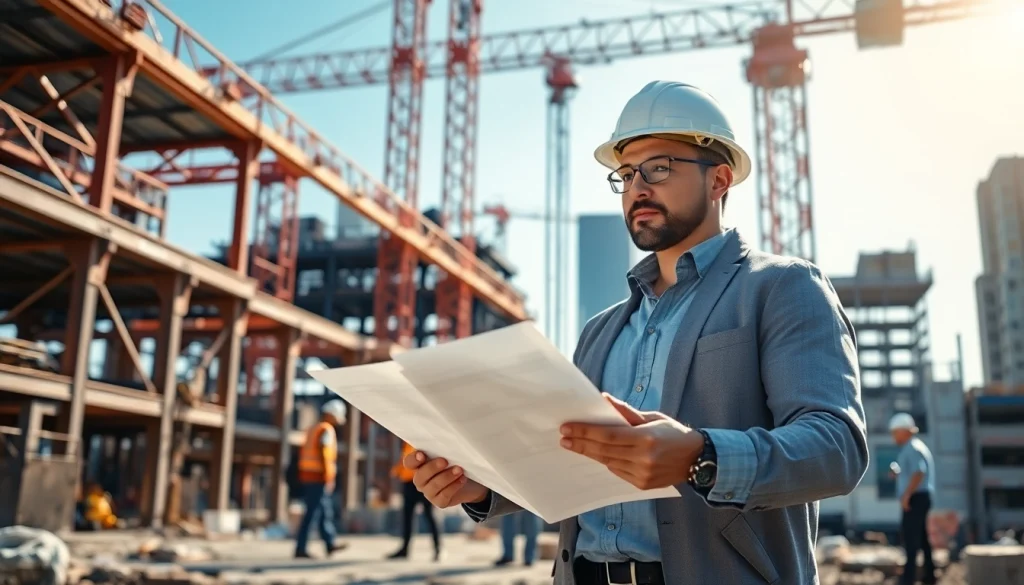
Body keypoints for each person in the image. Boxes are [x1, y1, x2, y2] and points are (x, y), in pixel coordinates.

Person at [400, 80, 869, 585]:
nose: (638, 187)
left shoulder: (782, 287)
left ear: (720, 180)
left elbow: (836, 447)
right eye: (626, 174)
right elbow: (565, 461)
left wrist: (701, 456)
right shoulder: (600, 331)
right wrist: (481, 486)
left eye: (659, 168)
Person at [294, 399, 348, 559]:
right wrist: (328, 477)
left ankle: (330, 544)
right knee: (312, 513)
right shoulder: (326, 430)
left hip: (309, 476)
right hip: (318, 477)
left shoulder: (313, 428)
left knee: (324, 512)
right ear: (331, 415)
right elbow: (324, 454)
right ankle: (301, 548)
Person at [889, 413, 937, 585]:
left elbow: (919, 472)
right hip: (920, 497)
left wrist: (907, 495)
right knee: (922, 539)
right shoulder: (913, 447)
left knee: (911, 539)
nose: (893, 435)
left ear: (904, 431)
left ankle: (908, 579)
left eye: (895, 432)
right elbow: (913, 473)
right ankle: (929, 576)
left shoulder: (913, 447)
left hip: (916, 498)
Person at [387, 441, 442, 561]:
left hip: (424, 481)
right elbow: (405, 458)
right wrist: (398, 470)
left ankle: (438, 549)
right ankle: (405, 549)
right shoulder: (407, 441)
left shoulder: (421, 438)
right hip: (408, 482)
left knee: (429, 515)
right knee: (407, 517)